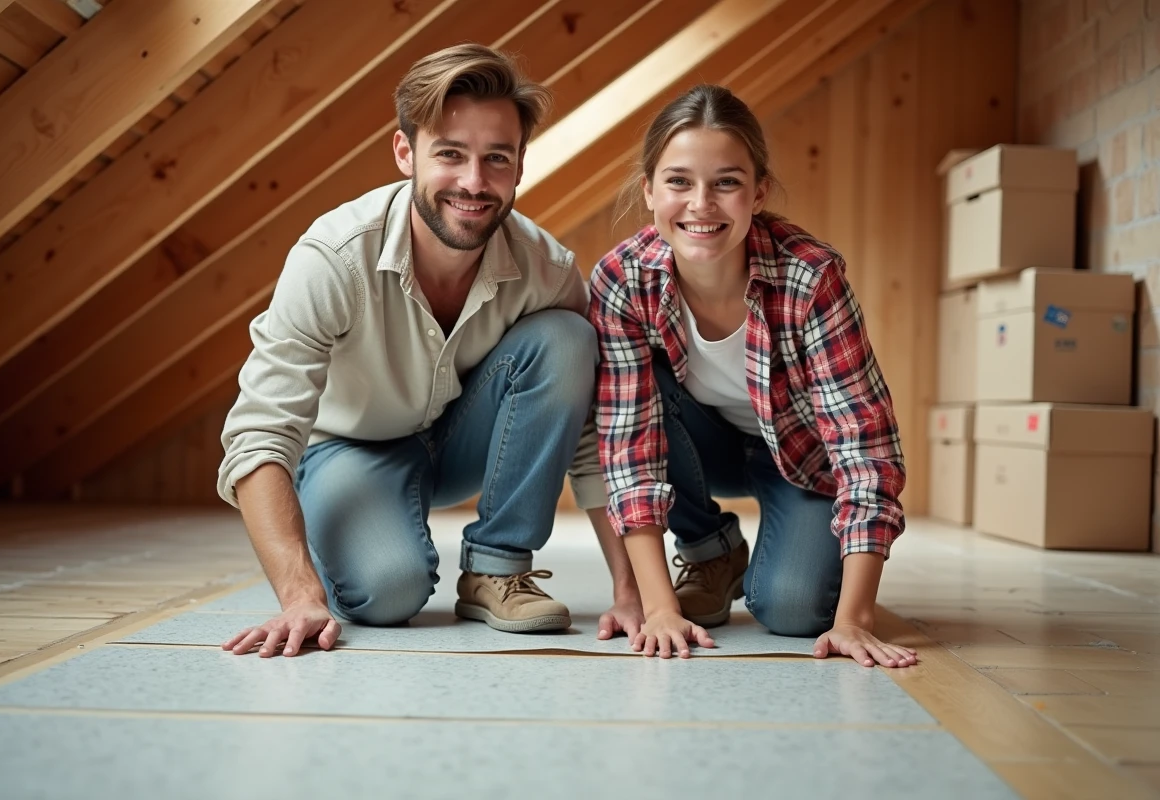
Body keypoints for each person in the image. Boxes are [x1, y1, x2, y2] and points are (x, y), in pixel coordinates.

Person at [215, 44, 609, 658]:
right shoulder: (333, 257)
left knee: (568, 337)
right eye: (450, 154)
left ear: (519, 166)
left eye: (496, 159)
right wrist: (299, 595)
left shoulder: (548, 269)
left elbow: (587, 435)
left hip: (458, 440)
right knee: (389, 594)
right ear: (406, 153)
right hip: (349, 447)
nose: (474, 183)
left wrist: (636, 591)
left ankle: (496, 568)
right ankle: (344, 528)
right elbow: (259, 432)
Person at [583, 84, 919, 668]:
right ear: (649, 189)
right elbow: (628, 446)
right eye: (679, 181)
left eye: (727, 182)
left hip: (801, 460)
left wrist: (854, 620)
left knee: (792, 611)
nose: (701, 204)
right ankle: (711, 551)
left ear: (758, 192)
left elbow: (866, 445)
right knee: (628, 398)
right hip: (695, 444)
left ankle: (776, 574)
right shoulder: (623, 278)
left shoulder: (809, 276)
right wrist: (660, 609)